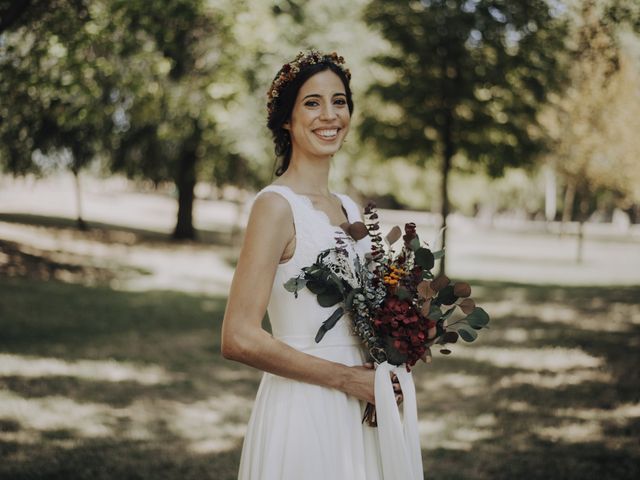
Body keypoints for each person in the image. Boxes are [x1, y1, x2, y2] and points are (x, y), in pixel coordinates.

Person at [221, 50, 409, 480]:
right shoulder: (274, 206)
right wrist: (346, 379)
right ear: (286, 119)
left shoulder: (348, 207)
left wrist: (408, 336)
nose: (330, 115)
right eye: (312, 102)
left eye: (339, 101)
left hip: (361, 409)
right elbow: (237, 337)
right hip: (303, 410)